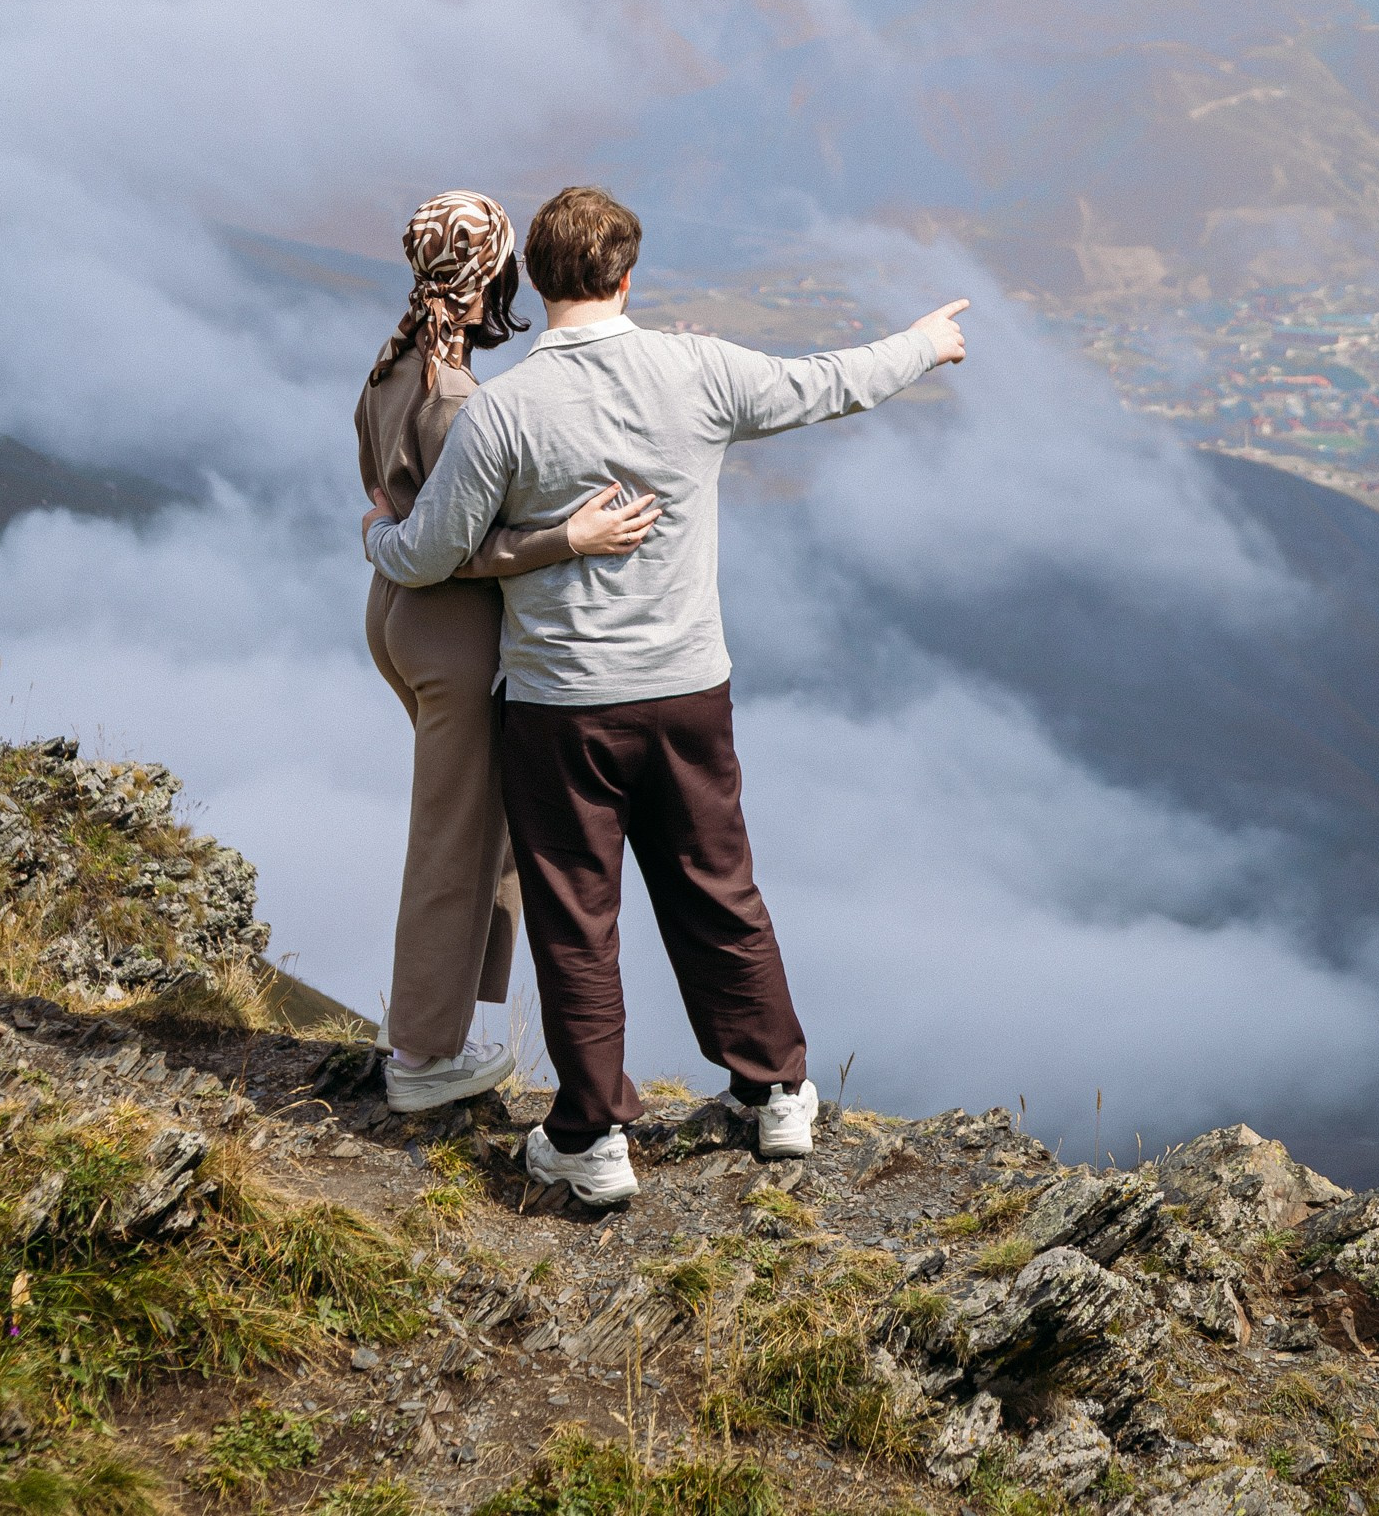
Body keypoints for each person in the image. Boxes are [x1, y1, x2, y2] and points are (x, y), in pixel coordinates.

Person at [364, 182, 968, 1206]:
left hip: (560, 709)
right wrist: (922, 342)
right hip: (688, 689)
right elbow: (828, 385)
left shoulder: (504, 408)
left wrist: (378, 534)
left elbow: (427, 554)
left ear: (540, 281)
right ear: (624, 275)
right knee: (715, 884)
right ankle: (775, 1090)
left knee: (575, 920)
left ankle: (591, 1139)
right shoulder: (693, 368)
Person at [357, 188, 657, 1113]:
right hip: (451, 632)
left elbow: (390, 507)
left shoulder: (394, 364)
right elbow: (458, 551)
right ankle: (421, 1058)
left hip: (399, 618)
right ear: (489, 275)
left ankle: (435, 1026)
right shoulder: (454, 399)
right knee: (457, 847)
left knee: (483, 843)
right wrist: (569, 540)